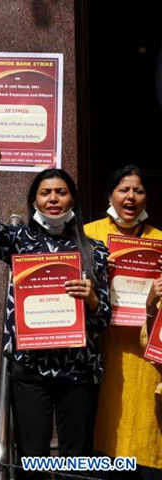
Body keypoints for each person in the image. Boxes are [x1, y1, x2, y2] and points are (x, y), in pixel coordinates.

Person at [0, 132, 111, 479]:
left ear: (72, 198)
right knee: (32, 457)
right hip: (31, 370)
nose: (53, 199)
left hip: (78, 369)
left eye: (61, 192)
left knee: (75, 460)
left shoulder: (95, 250)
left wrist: (91, 299)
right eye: (45, 192)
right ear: (34, 200)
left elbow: (105, 316)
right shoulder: (20, 240)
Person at [84, 165, 162, 478]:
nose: (131, 197)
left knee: (146, 437)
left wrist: (153, 299)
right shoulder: (89, 234)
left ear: (146, 198)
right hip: (105, 351)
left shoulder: (158, 241)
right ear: (110, 195)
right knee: (107, 432)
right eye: (123, 190)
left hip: (147, 358)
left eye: (138, 191)